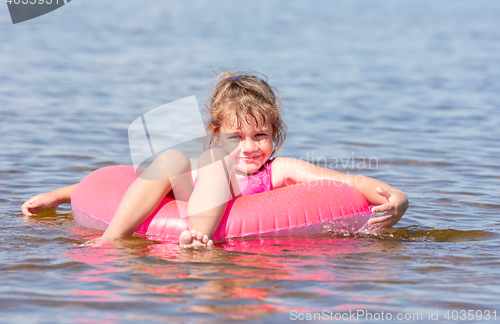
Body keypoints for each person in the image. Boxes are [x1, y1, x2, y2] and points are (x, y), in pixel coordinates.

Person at [22, 71, 409, 248]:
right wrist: (61, 195)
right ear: (215, 132)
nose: (250, 146)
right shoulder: (206, 157)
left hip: (206, 229)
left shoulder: (281, 170)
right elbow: (128, 179)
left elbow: (346, 182)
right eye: (235, 137)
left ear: (275, 136)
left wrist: (396, 196)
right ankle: (111, 240)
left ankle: (199, 237)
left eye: (261, 136)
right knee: (175, 157)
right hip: (191, 198)